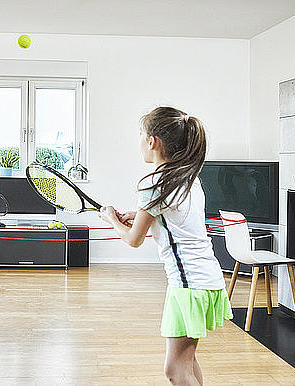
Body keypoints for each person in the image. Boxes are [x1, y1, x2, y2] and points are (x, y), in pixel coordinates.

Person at [98, 107, 232, 386]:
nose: (140, 141)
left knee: (175, 370)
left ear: (152, 141)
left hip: (188, 286)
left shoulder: (154, 183)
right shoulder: (188, 178)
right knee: (188, 361)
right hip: (208, 280)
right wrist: (138, 215)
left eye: (141, 135)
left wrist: (112, 218)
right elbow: (175, 217)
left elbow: (133, 239)